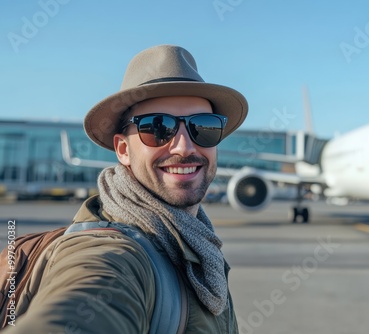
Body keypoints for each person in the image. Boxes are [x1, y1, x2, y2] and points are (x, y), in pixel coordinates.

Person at [5, 44, 248, 333]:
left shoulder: (200, 247)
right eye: (157, 127)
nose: (184, 147)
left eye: (203, 127)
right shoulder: (112, 253)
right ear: (122, 149)